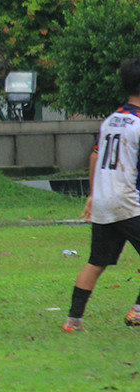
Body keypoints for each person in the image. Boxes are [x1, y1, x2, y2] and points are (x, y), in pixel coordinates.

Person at [64, 58, 140, 332]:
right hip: (129, 201)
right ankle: (137, 311)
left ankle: (73, 320)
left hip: (105, 200)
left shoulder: (111, 120)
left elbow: (95, 155)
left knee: (96, 262)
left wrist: (92, 195)